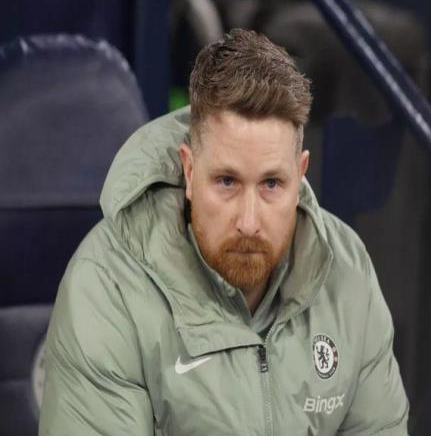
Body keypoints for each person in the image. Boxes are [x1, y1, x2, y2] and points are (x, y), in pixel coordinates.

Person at [39, 28, 409, 435]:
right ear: (190, 170)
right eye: (227, 182)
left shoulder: (346, 272)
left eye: (272, 184)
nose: (249, 222)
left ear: (300, 173)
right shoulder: (107, 286)